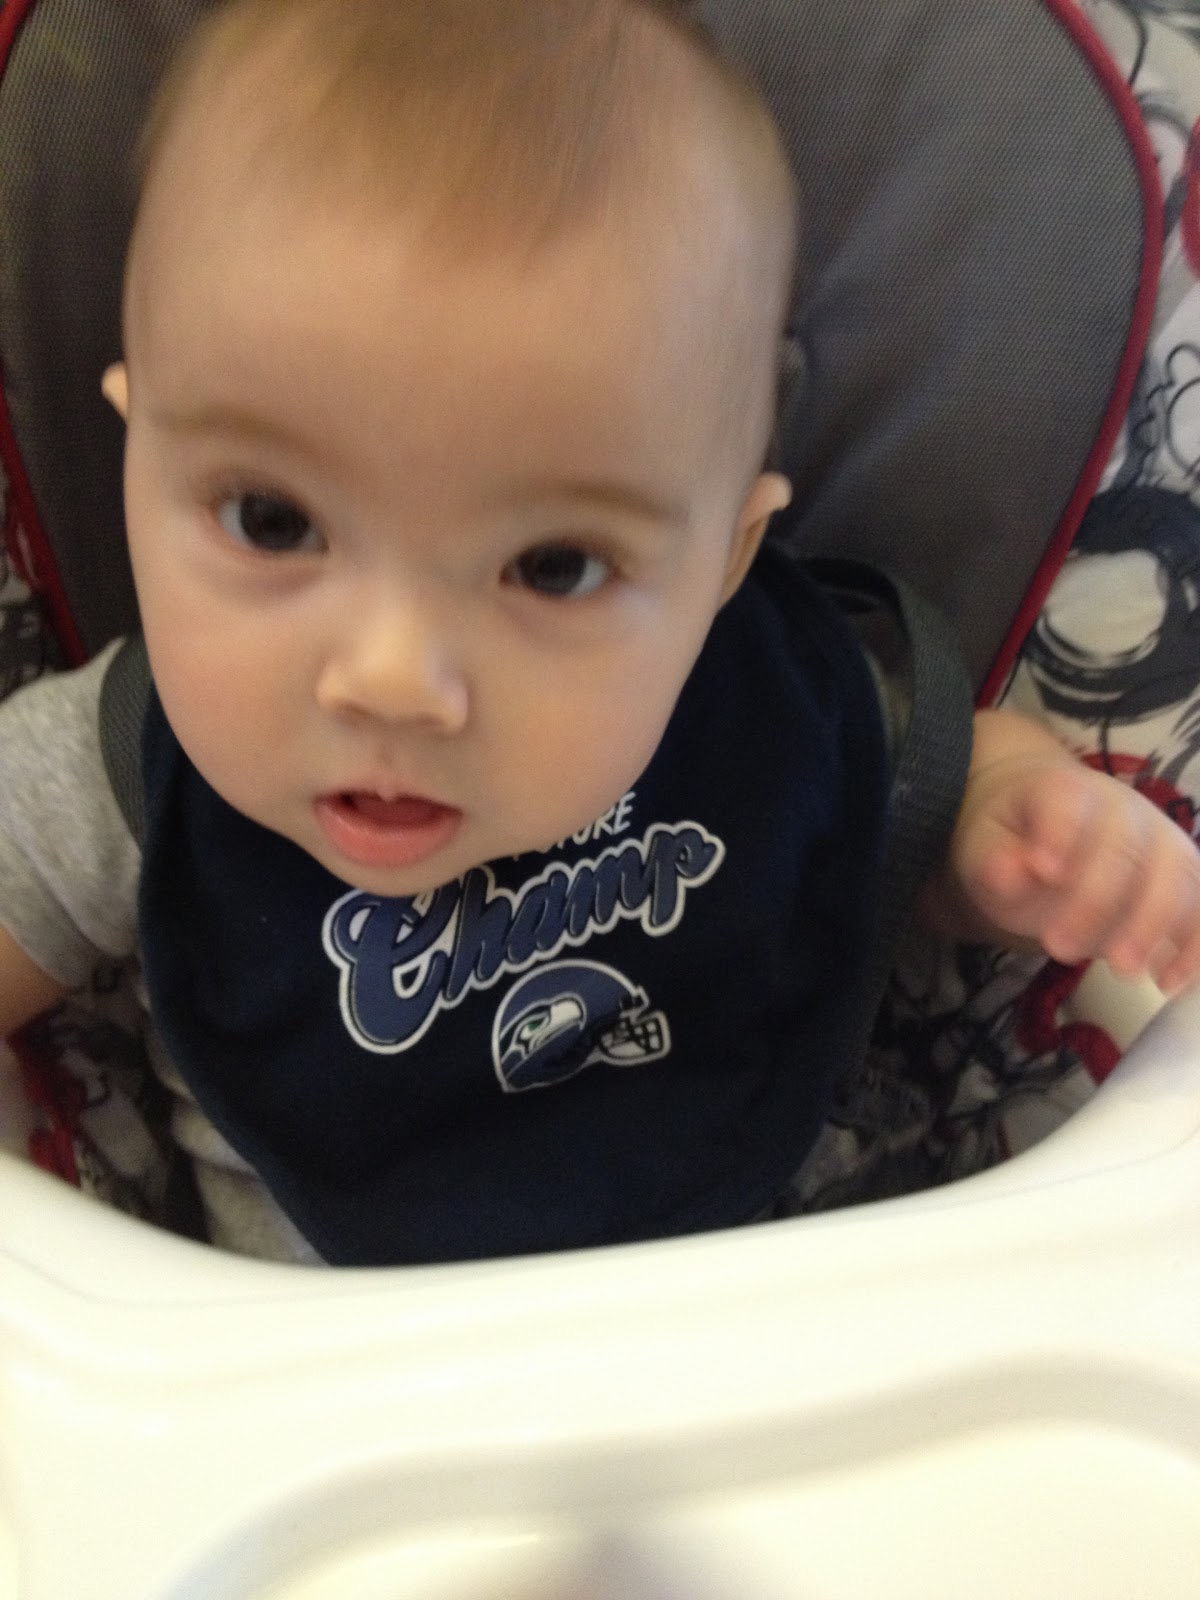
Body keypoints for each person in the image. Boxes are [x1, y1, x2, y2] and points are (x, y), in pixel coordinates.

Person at [0, 0, 1197, 1264]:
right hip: (311, 1362)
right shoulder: (121, 766)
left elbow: (923, 804)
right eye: (271, 520)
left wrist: (1026, 831)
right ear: (138, 458)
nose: (394, 679)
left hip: (774, 1305)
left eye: (554, 567)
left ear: (724, 559)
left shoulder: (764, 704)